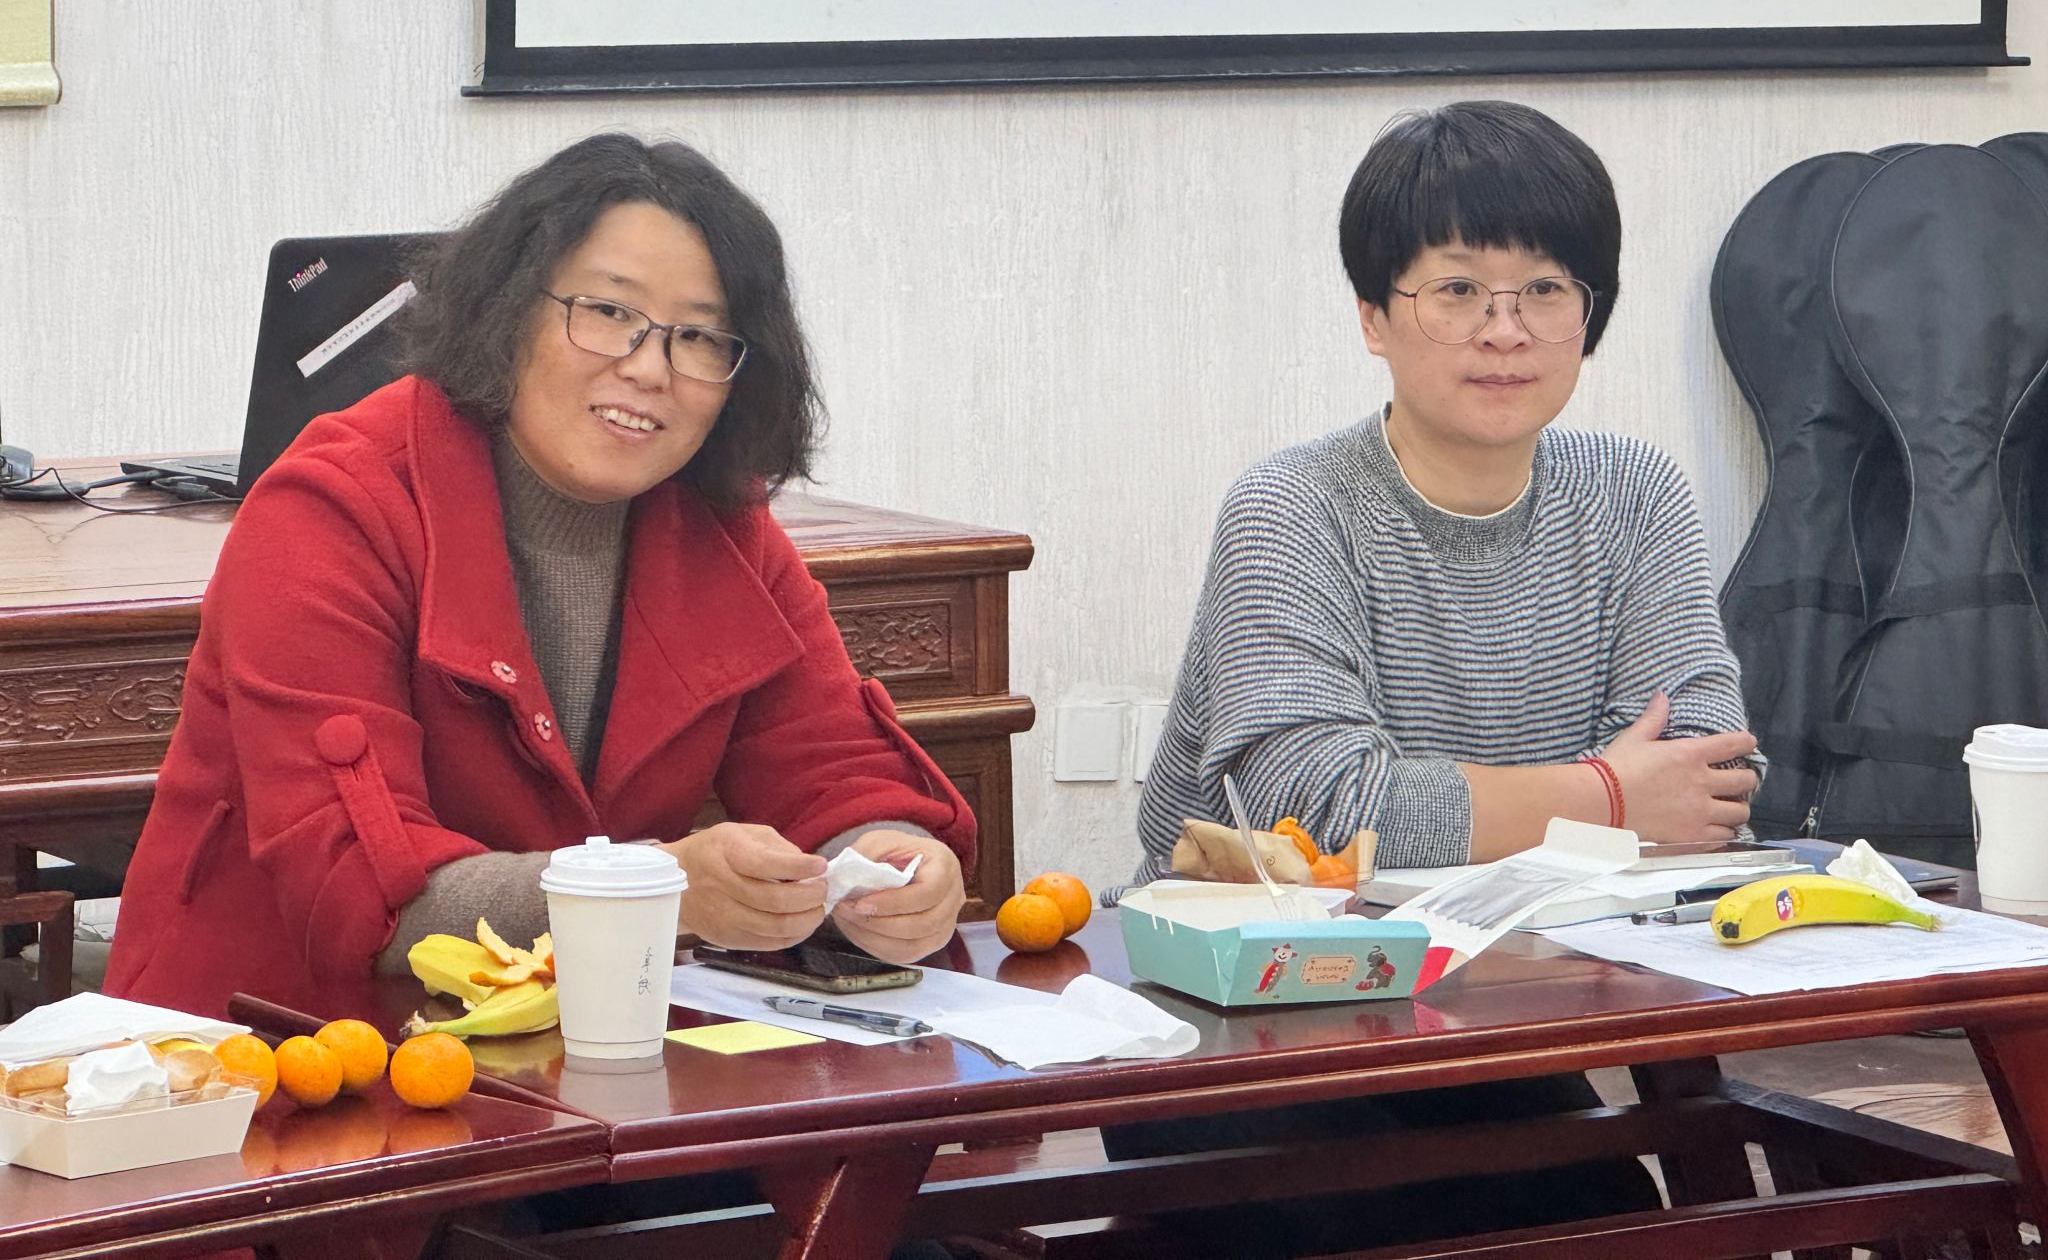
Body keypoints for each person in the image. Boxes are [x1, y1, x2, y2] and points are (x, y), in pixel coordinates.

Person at [107, 133, 975, 1022]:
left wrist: (891, 860)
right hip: (269, 1051)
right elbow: (363, 890)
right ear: (510, 310)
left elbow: (831, 766)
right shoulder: (331, 509)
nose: (649, 367)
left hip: (560, 1047)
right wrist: (654, 886)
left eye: (699, 336)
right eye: (607, 311)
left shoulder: (724, 523)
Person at [1115, 100, 1760, 1254]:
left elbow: (1706, 782)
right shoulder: (1292, 508)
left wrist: (1556, 805)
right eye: (1456, 289)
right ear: (1373, 316)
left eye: (1543, 289)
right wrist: (1605, 796)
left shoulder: (1632, 493)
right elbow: (1319, 809)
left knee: (1613, 1224)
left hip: (1495, 1005)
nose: (1502, 331)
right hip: (1241, 1023)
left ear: (1588, 313)